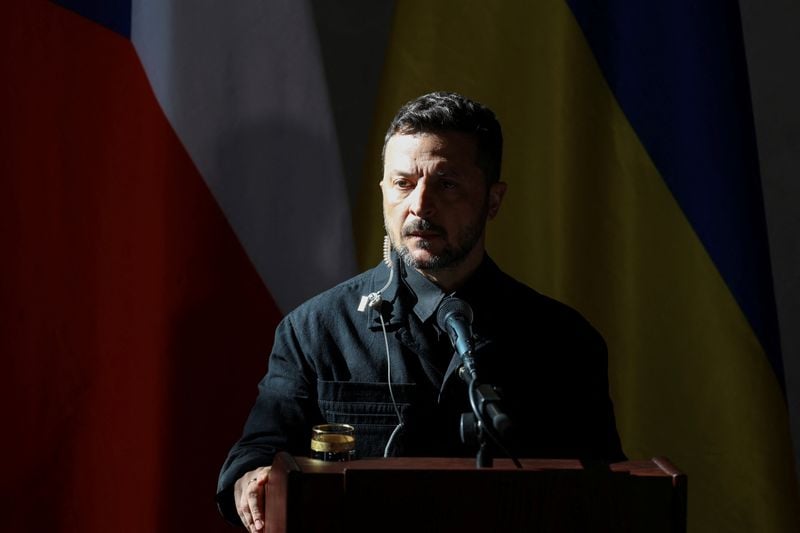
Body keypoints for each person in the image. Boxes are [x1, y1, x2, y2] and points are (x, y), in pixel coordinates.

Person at [216, 91, 625, 531]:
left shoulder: (564, 341)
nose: (419, 205)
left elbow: (608, 495)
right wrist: (250, 480)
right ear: (383, 191)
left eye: (446, 184)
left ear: (493, 200)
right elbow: (255, 455)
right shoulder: (316, 329)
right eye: (403, 183)